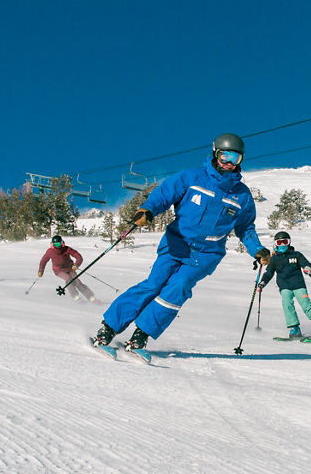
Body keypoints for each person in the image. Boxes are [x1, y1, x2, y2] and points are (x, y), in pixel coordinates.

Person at [92, 133, 270, 354]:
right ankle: (108, 329)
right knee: (153, 284)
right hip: (176, 243)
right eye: (225, 156)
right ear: (215, 154)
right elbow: (163, 195)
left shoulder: (242, 196)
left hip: (205, 255)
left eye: (235, 158)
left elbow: (246, 228)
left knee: (179, 287)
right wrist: (148, 210)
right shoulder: (192, 177)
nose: (229, 163)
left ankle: (141, 336)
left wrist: (257, 249)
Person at [259, 231, 311, 339]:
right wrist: (262, 283)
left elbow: (306, 263)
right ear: (275, 244)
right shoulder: (274, 259)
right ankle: (294, 329)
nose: (283, 245)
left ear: (289, 242)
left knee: (307, 307)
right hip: (285, 287)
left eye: (285, 242)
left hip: (298, 285)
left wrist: (307, 268)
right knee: (287, 306)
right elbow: (269, 273)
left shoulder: (296, 255)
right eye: (280, 242)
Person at [39, 235, 98, 302]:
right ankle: (75, 296)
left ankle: (91, 297)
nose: (58, 246)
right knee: (68, 279)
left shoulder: (67, 249)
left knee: (77, 281)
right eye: (56, 244)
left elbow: (78, 257)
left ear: (62, 243)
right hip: (58, 270)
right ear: (52, 244)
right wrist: (41, 270)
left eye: (59, 244)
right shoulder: (50, 251)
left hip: (70, 268)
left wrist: (76, 265)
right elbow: (43, 261)